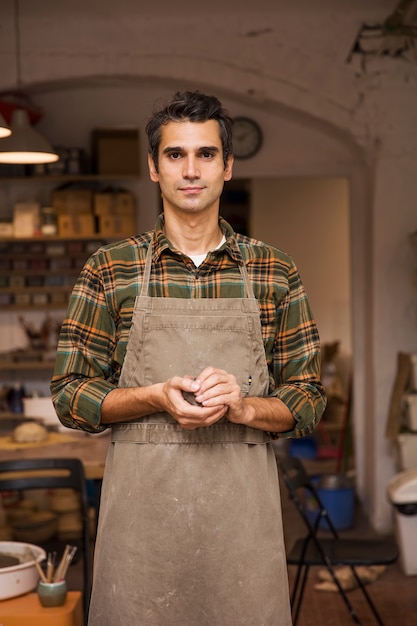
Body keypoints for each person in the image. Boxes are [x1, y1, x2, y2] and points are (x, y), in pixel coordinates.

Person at [51, 90, 326, 626]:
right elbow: (69, 394)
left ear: (228, 165)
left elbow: (309, 396)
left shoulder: (274, 271)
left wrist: (244, 407)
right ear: (153, 168)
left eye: (205, 153)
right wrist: (153, 396)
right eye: (175, 155)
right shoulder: (111, 269)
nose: (191, 169)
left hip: (241, 535)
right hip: (141, 538)